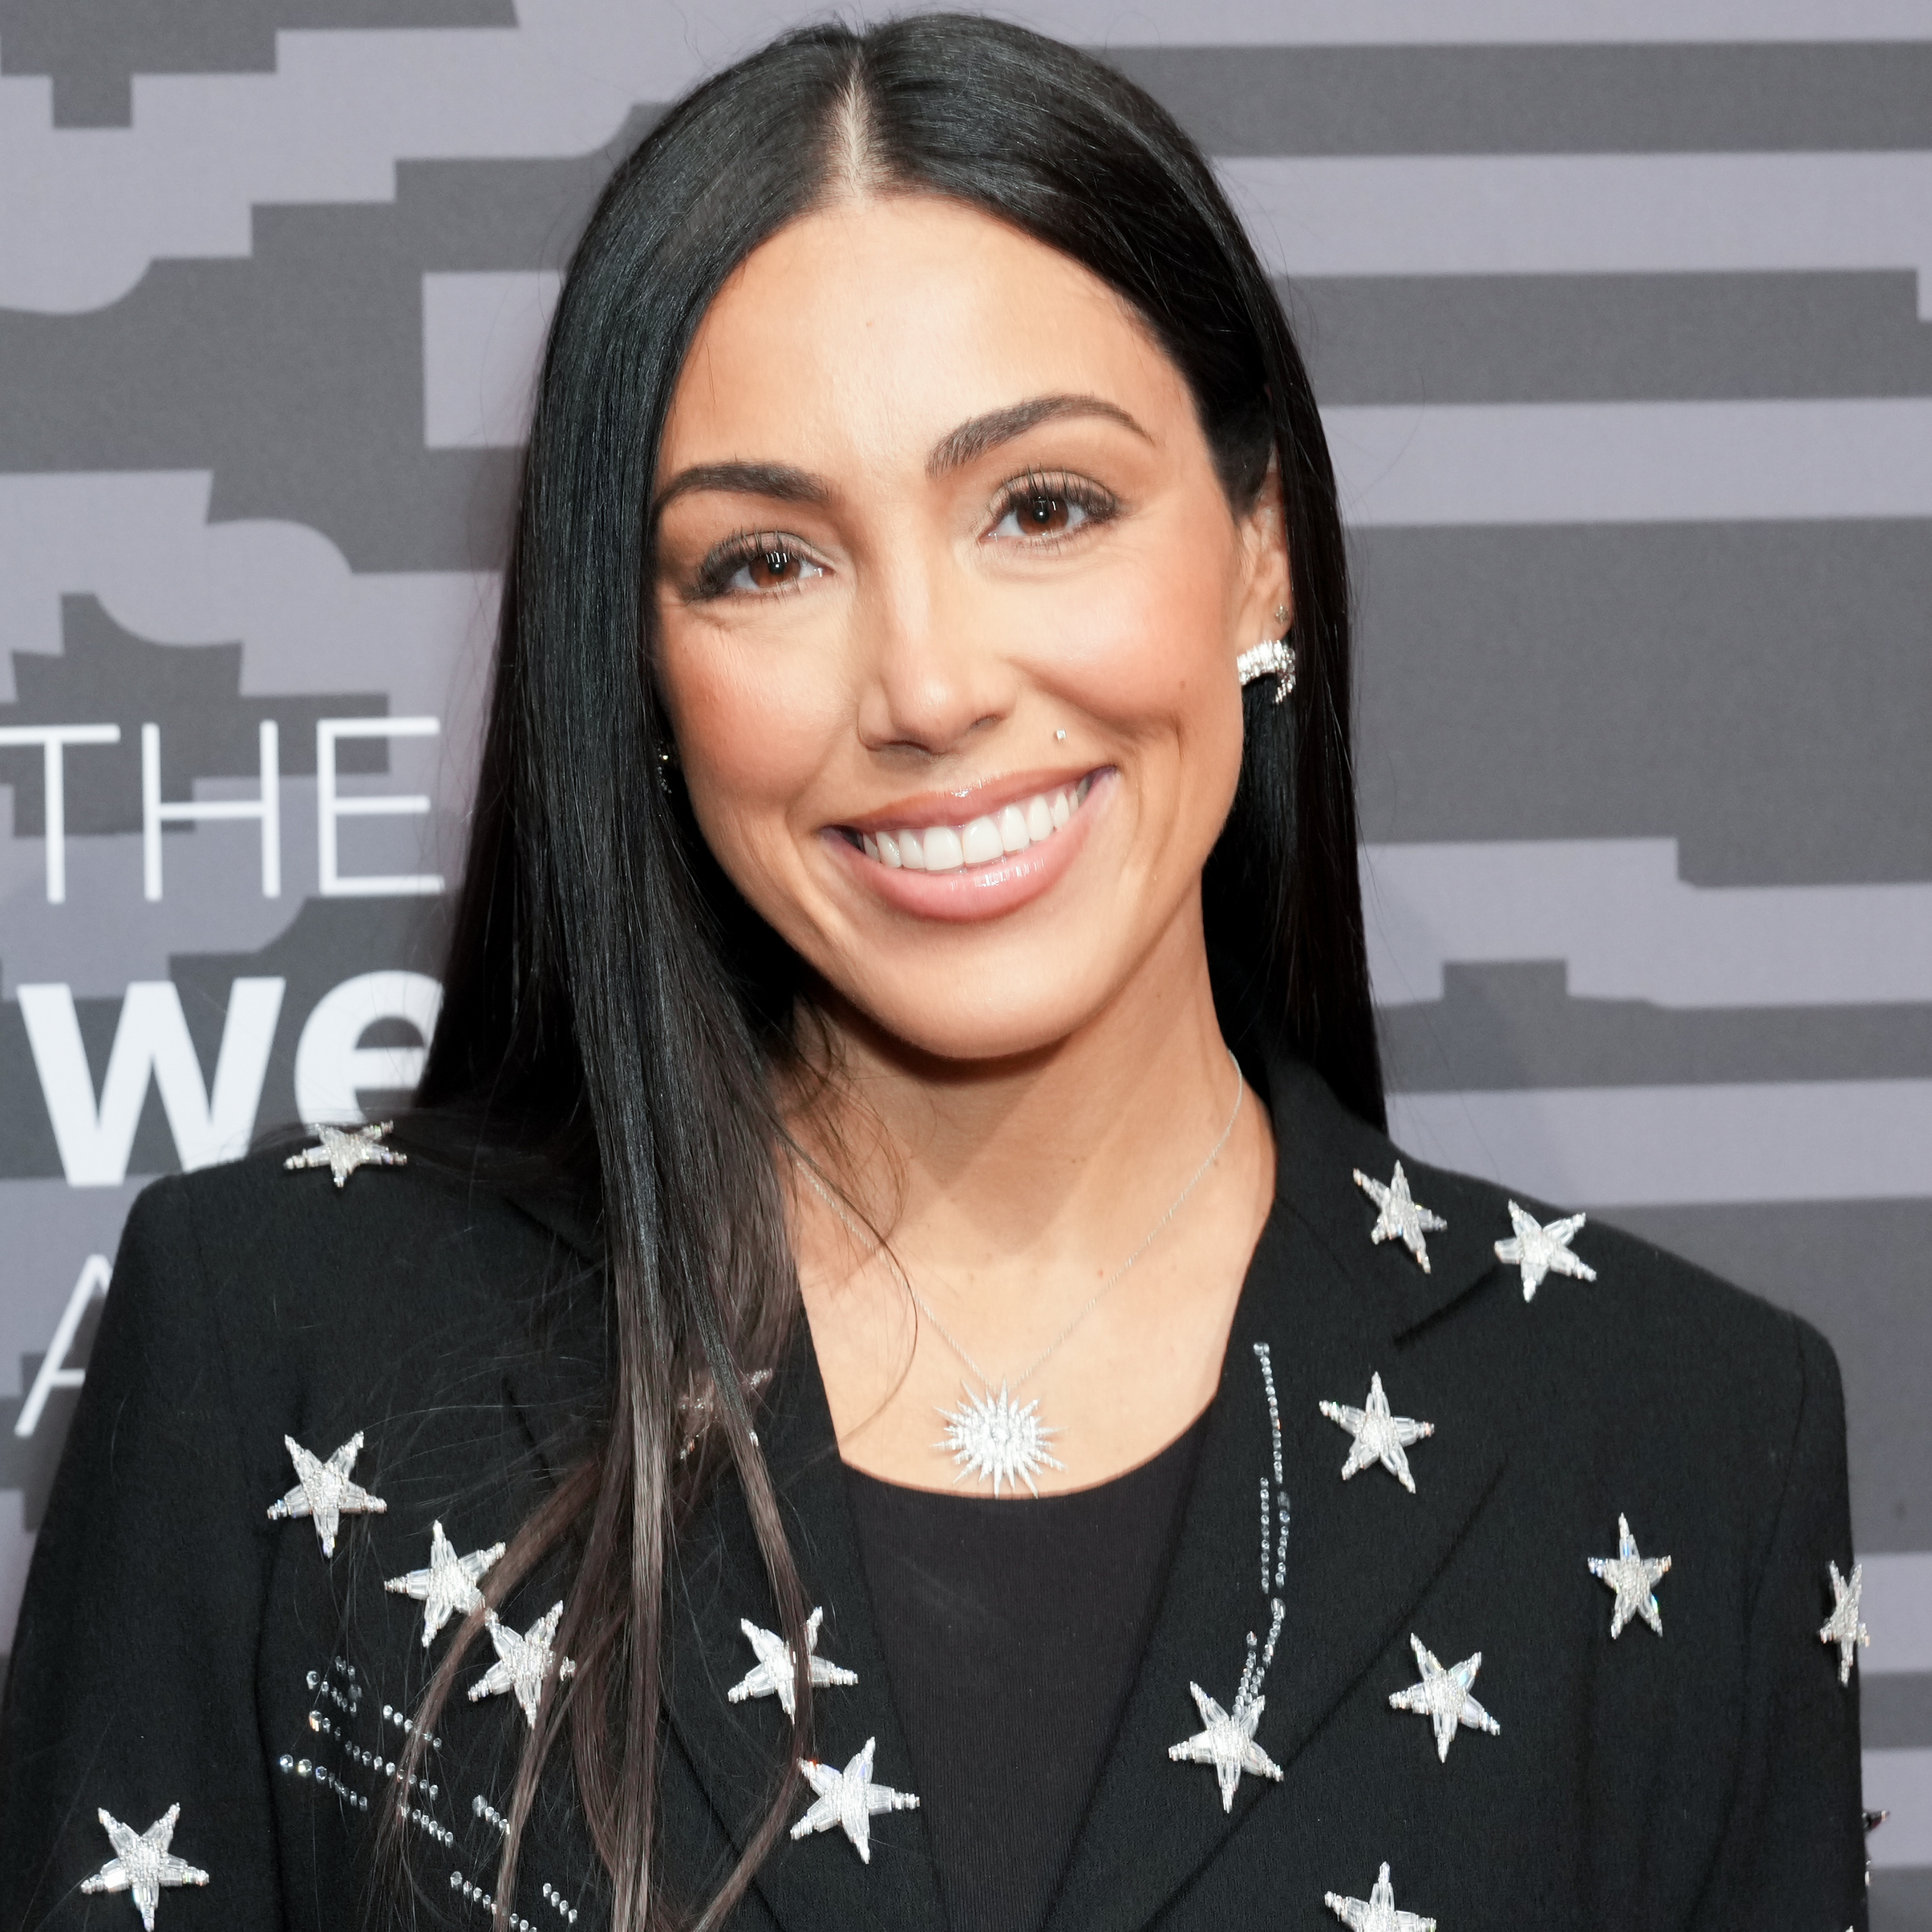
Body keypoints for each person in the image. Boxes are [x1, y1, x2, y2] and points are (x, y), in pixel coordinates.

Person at [0, 15, 1869, 1931]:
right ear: (637, 667)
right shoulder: (286, 1345)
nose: (926, 685)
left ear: (1259, 555)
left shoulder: (1677, 1440)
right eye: (763, 560)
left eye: (1042, 507)